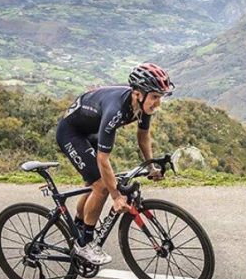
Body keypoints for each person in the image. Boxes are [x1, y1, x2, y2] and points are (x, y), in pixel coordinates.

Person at [56, 63, 173, 265]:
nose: (158, 103)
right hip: (72, 133)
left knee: (93, 183)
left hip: (90, 131)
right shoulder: (116, 110)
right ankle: (84, 245)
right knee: (101, 187)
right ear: (138, 94)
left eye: (160, 97)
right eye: (155, 97)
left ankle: (79, 226)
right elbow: (103, 159)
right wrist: (116, 196)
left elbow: (143, 135)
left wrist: (150, 166)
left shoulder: (143, 105)